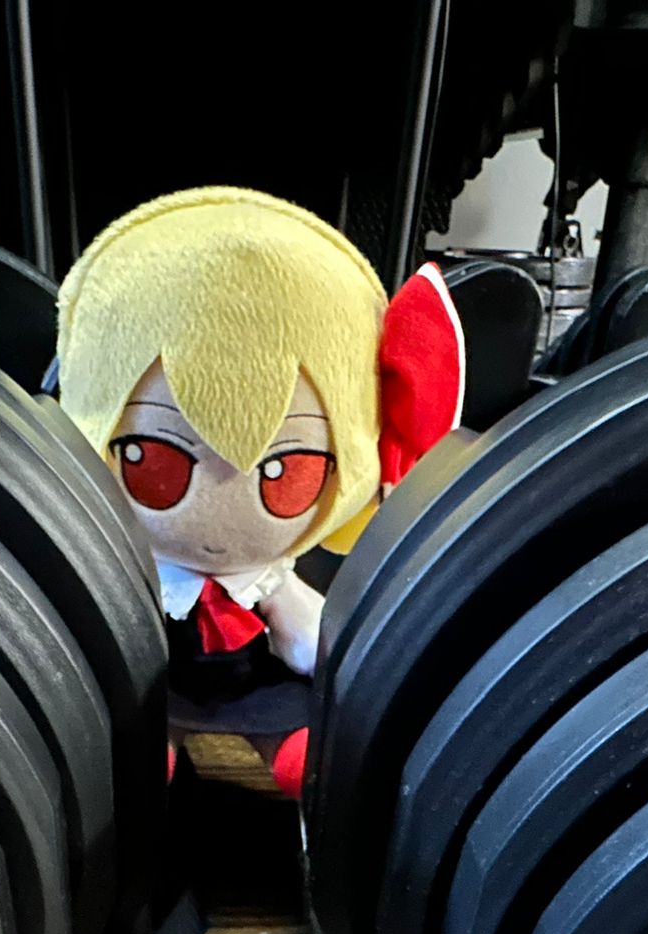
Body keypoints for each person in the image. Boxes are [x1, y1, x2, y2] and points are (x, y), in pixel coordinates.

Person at [56, 185, 463, 796]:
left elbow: (307, 637)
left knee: (304, 749)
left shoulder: (268, 580)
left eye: (287, 473)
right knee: (133, 755)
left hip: (257, 687)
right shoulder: (130, 575)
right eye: (153, 463)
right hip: (153, 689)